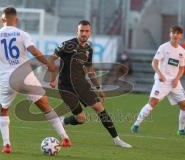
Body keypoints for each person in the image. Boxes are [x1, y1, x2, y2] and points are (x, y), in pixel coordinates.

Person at [0, 7, 71, 154]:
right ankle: (65, 138)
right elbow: (34, 52)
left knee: (4, 109)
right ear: (16, 19)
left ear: (2, 19)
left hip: (7, 79)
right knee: (45, 106)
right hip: (25, 76)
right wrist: (48, 64)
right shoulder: (22, 35)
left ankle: (6, 145)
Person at [49, 20, 132, 148]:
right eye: (81, 31)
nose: (84, 33)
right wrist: (53, 77)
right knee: (81, 119)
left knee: (99, 108)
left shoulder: (89, 49)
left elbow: (90, 71)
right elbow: (52, 59)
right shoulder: (67, 45)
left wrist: (98, 88)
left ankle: (117, 139)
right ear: (77, 31)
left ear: (90, 32)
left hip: (82, 85)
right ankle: (65, 121)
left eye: (86, 31)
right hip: (66, 87)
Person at [131, 25, 185, 136]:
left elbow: (181, 68)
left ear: (181, 36)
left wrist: (177, 79)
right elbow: (154, 63)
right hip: (162, 81)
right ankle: (135, 125)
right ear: (170, 34)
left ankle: (181, 130)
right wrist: (160, 74)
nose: (175, 35)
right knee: (152, 103)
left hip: (175, 82)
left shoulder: (182, 51)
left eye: (178, 33)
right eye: (173, 33)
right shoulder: (163, 47)